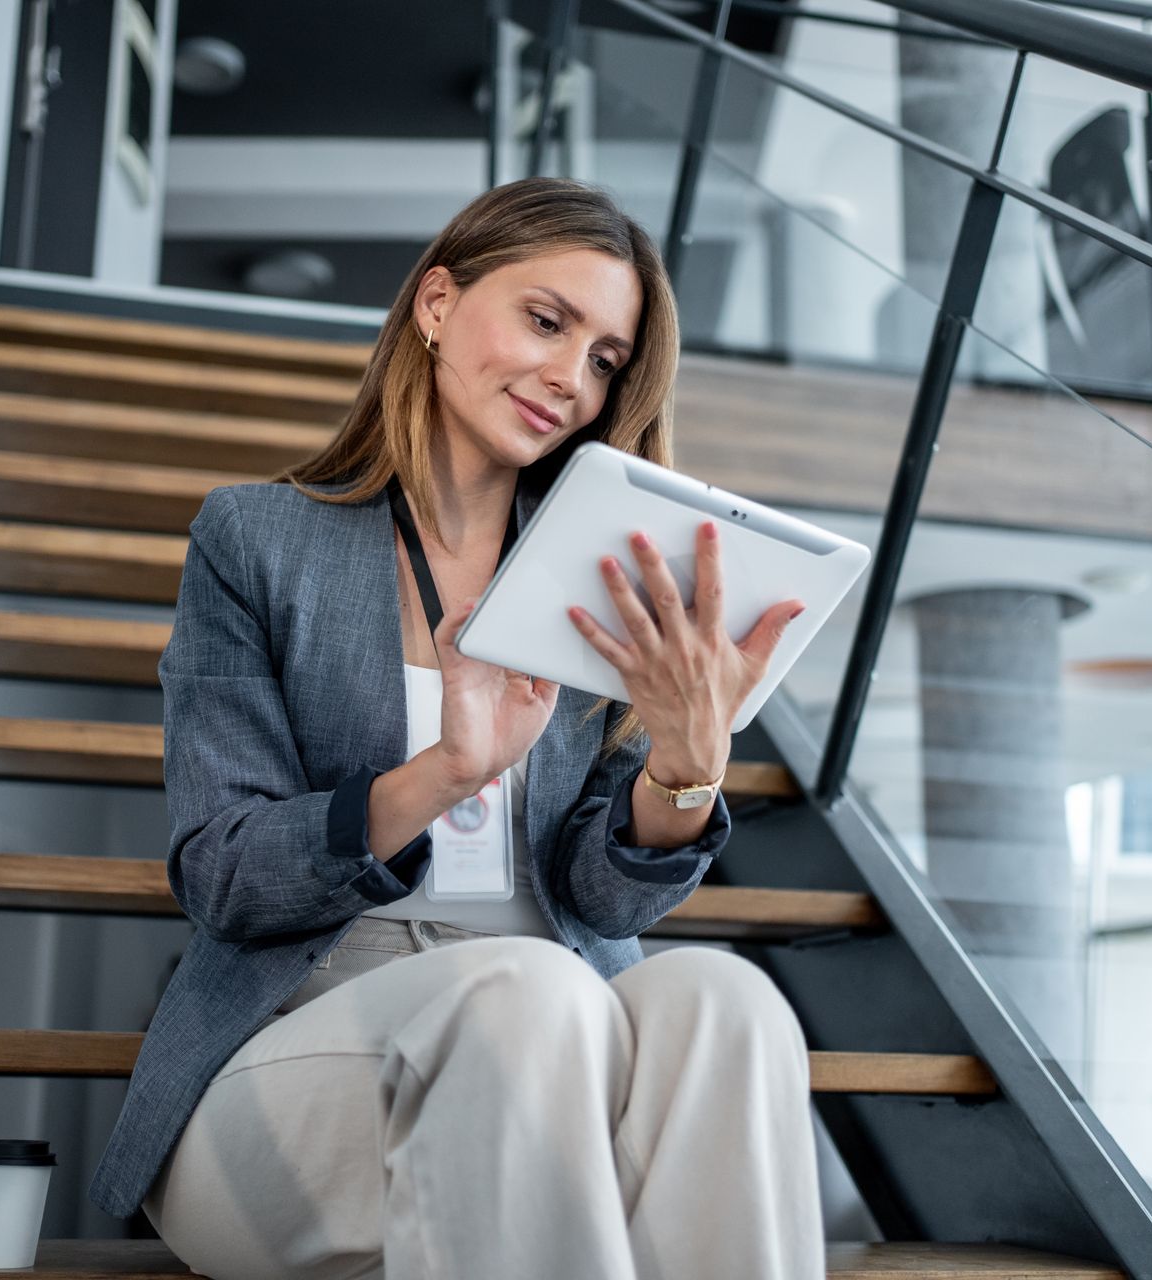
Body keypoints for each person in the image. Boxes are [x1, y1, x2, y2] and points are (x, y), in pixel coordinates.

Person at [87, 177, 823, 1279]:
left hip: (557, 1039)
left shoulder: (607, 577)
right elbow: (224, 876)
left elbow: (602, 898)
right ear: (436, 304)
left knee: (729, 999)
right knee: (531, 993)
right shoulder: (258, 542)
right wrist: (443, 774)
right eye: (546, 319)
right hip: (299, 1059)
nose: (571, 378)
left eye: (607, 359)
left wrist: (684, 765)